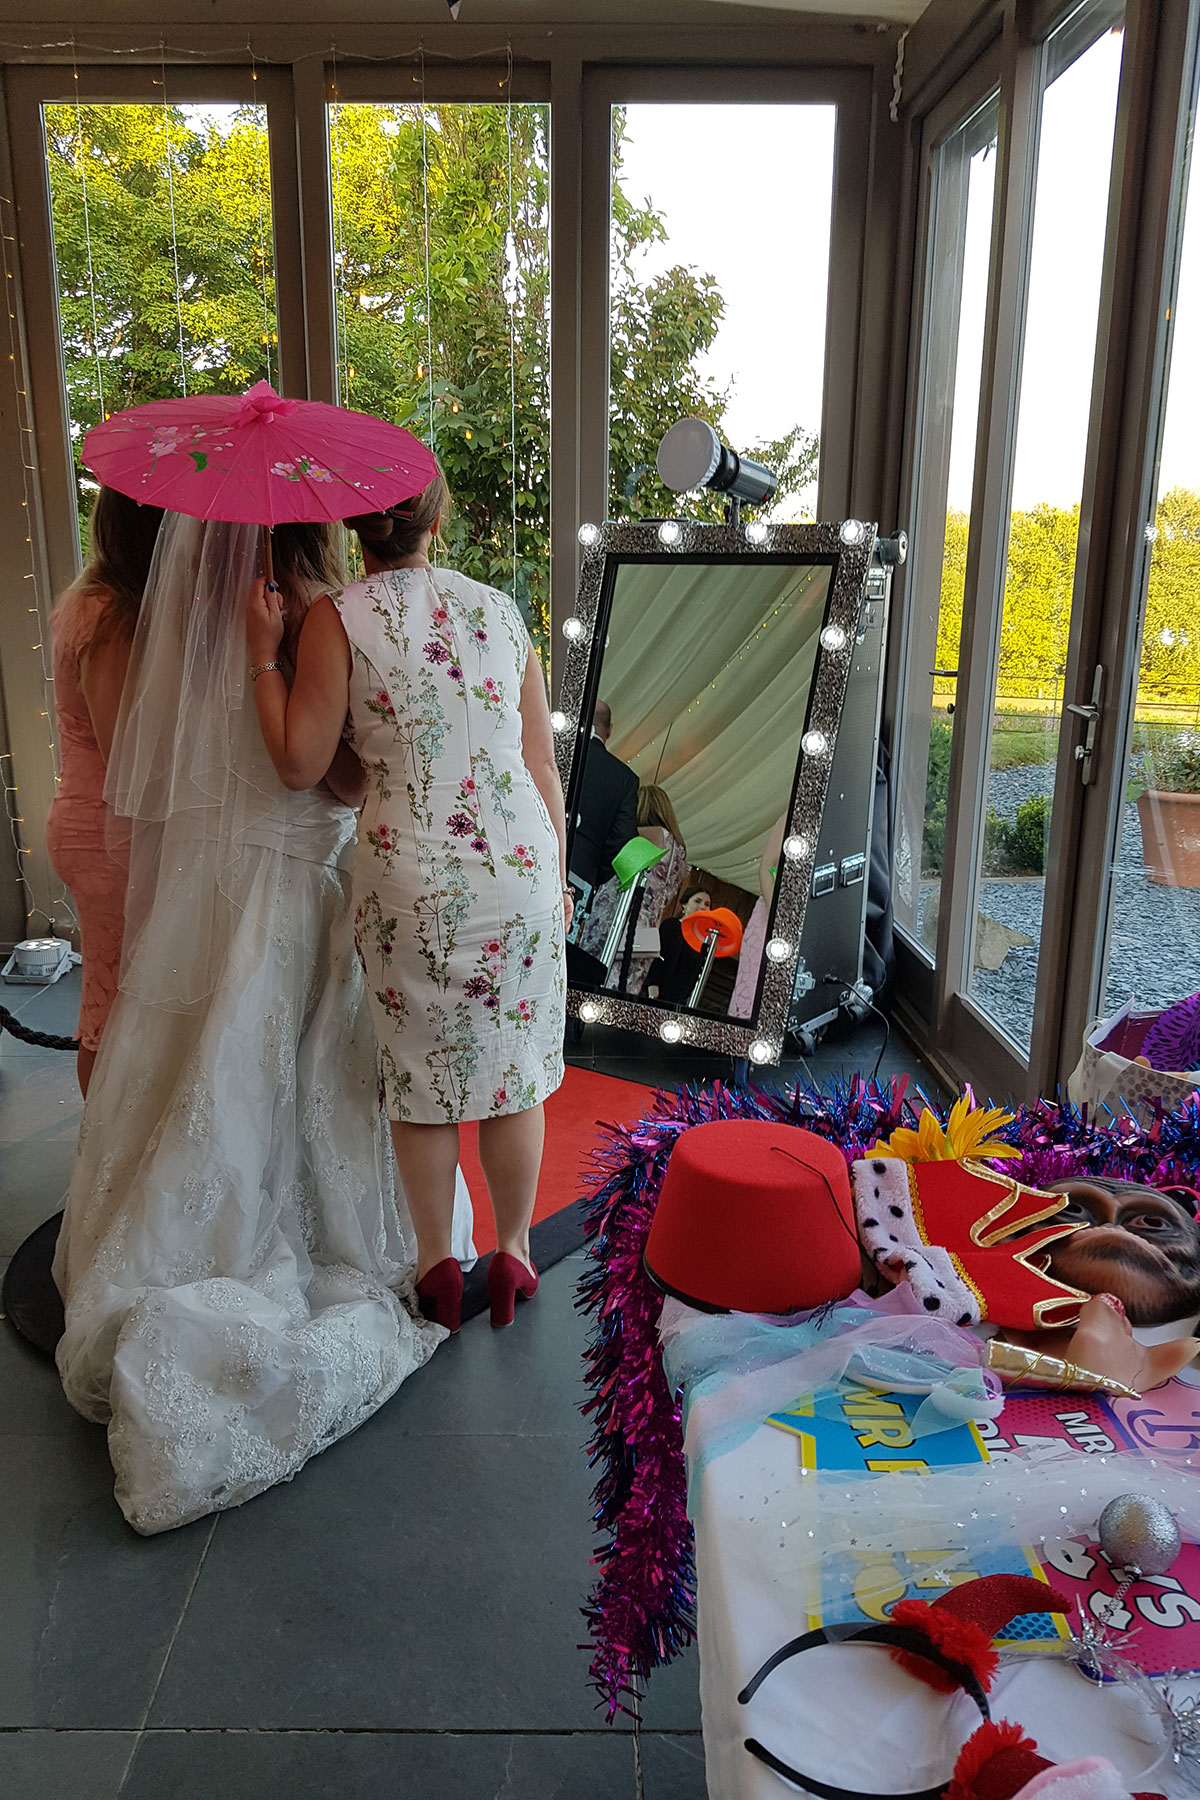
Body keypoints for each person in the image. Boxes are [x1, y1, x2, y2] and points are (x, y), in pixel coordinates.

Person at [53, 512, 471, 1535]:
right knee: (312, 1074)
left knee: (200, 1070)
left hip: (210, 888)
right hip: (305, 885)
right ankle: (373, 1250)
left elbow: (144, 778)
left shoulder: (165, 624)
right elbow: (334, 774)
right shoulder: (319, 620)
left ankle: (160, 1241)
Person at [248, 473, 568, 1333]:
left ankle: (438, 1268)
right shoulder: (503, 611)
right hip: (521, 866)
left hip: (411, 875)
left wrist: (260, 657)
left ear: (359, 527)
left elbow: (300, 762)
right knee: (512, 1073)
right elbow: (540, 766)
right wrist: (558, 876)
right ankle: (516, 1253)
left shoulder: (338, 617)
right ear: (440, 518)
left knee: (420, 1075)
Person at [44, 487, 164, 1094]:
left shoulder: (94, 600)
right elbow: (127, 757)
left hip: (91, 820)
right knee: (109, 1008)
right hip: (107, 832)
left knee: (108, 995)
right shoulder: (112, 616)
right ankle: (101, 1172)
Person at [580, 783, 688, 995]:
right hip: (647, 932)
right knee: (625, 987)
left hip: (619, 922)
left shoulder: (648, 835)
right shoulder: (679, 853)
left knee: (594, 980)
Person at [570, 698, 638, 896]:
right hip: (579, 875)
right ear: (609, 730)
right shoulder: (625, 779)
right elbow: (622, 842)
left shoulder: (559, 750)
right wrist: (594, 871)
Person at [646, 884, 712, 1004]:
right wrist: (653, 984)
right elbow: (657, 956)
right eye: (698, 901)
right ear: (685, 905)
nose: (703, 906)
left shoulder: (705, 940)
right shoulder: (672, 925)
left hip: (679, 1000)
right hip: (657, 992)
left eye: (707, 904)